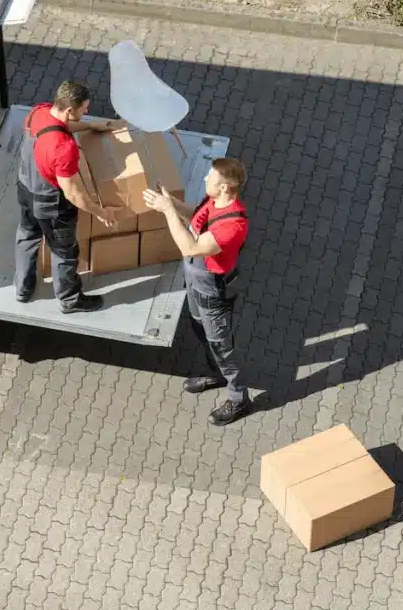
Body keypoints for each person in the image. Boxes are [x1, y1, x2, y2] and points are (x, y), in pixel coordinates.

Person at [143, 158, 251, 425]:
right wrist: (172, 203)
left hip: (212, 289)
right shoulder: (212, 201)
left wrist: (168, 211)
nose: (204, 179)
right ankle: (216, 373)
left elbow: (190, 247)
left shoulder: (232, 226)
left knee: (221, 346)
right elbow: (196, 219)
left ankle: (239, 398)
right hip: (195, 280)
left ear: (225, 187)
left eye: (210, 177)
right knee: (198, 327)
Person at [15, 81, 120, 313]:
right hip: (51, 205)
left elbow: (57, 127)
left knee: (27, 235)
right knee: (64, 252)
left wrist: (91, 126)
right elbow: (73, 193)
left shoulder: (38, 112)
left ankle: (22, 289)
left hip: (25, 189)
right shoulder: (64, 148)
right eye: (84, 109)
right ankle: (70, 300)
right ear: (70, 110)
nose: (86, 112)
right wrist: (101, 212)